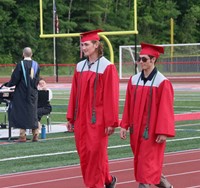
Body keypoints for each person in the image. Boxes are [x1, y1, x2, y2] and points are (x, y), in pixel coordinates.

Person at [66, 29, 119, 188]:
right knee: (85, 153)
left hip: (98, 119)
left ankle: (94, 185)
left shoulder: (107, 67)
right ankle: (108, 181)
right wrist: (71, 118)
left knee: (94, 153)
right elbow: (74, 93)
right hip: (81, 118)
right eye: (82, 45)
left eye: (86, 44)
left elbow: (111, 96)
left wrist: (111, 122)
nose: (83, 48)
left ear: (96, 45)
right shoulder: (80, 66)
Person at [120, 42, 175, 188]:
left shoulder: (162, 82)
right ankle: (164, 183)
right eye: (139, 59)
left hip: (151, 131)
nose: (140, 62)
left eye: (144, 59)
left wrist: (163, 131)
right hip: (136, 129)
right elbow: (128, 105)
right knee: (142, 161)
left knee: (146, 163)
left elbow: (166, 110)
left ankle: (145, 184)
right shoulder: (134, 80)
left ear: (153, 60)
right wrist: (124, 125)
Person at [6, 47, 40, 142]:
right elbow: (37, 79)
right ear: (31, 54)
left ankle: (22, 135)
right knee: (33, 112)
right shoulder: (36, 65)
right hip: (33, 92)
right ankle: (36, 133)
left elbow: (15, 79)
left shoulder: (20, 64)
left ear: (23, 54)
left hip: (22, 92)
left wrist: (8, 85)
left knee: (21, 112)